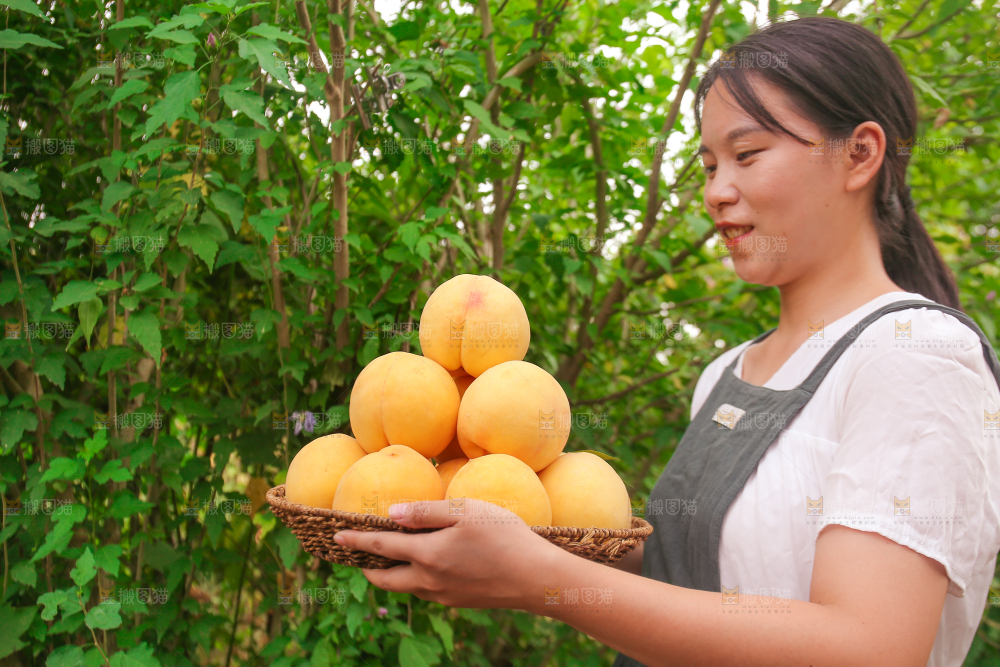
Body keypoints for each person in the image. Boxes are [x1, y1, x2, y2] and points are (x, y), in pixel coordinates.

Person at [332, 16, 1000, 666]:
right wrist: (525, 537)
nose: (716, 191)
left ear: (859, 154)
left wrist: (547, 580)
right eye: (708, 165)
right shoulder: (726, 372)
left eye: (746, 155)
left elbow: (870, 647)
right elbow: (702, 582)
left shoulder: (916, 354)